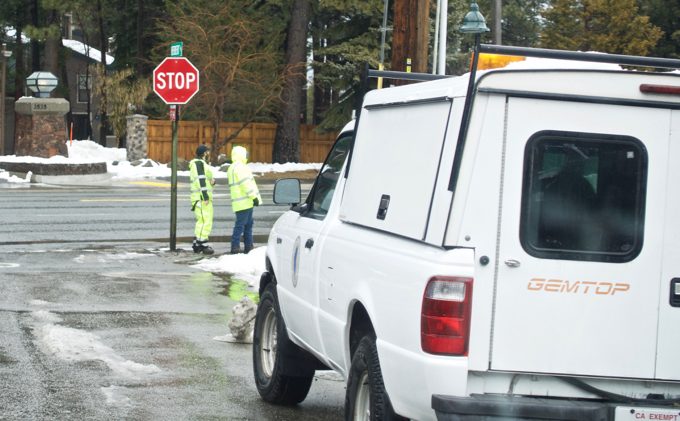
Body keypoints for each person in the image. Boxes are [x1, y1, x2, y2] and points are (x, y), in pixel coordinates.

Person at [226, 145, 262, 254]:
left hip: (238, 202)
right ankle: (239, 247)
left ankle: (246, 246)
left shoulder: (232, 167)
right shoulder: (241, 167)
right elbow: (245, 184)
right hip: (245, 201)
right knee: (244, 225)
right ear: (241, 154)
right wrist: (254, 197)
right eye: (245, 153)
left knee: (244, 224)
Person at [189, 144, 216, 255]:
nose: (208, 154)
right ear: (204, 153)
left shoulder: (200, 164)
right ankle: (202, 244)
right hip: (201, 199)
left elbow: (204, 179)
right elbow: (200, 181)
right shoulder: (199, 164)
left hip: (201, 198)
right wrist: (205, 196)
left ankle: (198, 243)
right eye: (207, 152)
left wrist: (212, 181)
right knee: (205, 220)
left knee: (203, 220)